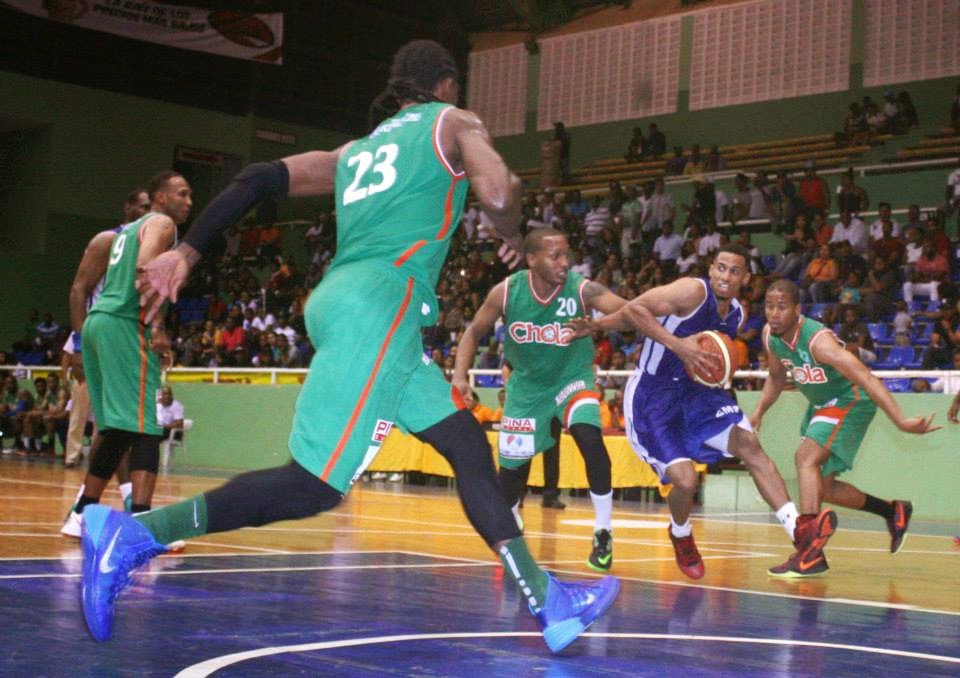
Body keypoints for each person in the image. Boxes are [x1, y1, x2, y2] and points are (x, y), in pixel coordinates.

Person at [84, 40, 618, 651]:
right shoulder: (454, 121)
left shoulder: (355, 152)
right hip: (381, 306)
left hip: (347, 302)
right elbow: (499, 194)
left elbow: (260, 177)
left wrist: (189, 248)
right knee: (312, 485)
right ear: (445, 86)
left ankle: (548, 601)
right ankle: (136, 535)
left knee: (467, 443)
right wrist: (513, 231)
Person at [568, 244, 812, 580]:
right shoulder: (692, 291)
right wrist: (672, 343)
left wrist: (716, 367)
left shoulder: (737, 314)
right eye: (721, 268)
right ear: (711, 270)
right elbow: (638, 309)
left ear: (746, 277)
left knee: (750, 445)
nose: (726, 276)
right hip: (654, 397)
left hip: (697, 394)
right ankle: (681, 534)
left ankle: (800, 533)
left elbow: (710, 355)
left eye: (734, 270)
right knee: (685, 480)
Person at [453, 228, 626, 572]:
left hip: (571, 379)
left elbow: (630, 311)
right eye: (555, 256)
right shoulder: (506, 292)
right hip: (527, 388)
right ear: (531, 259)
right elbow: (473, 331)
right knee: (511, 479)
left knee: (590, 438)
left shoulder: (581, 288)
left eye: (567, 254)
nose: (565, 262)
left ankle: (603, 531)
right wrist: (460, 375)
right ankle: (513, 525)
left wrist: (599, 324)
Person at [751, 279, 941, 576]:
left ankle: (809, 550)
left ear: (798, 310)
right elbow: (776, 377)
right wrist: (759, 411)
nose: (774, 313)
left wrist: (901, 421)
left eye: (782, 307)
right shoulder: (771, 336)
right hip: (821, 405)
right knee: (823, 486)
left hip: (851, 399)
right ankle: (892, 511)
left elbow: (866, 377)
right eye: (769, 306)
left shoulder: (817, 340)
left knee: (805, 459)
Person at [61, 171, 190, 543]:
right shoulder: (161, 223)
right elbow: (145, 270)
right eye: (182, 193)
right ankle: (141, 523)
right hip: (124, 325)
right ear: (161, 198)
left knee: (117, 428)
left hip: (100, 323)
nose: (188, 201)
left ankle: (83, 512)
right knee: (147, 424)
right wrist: (158, 326)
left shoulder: (124, 233)